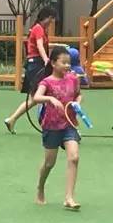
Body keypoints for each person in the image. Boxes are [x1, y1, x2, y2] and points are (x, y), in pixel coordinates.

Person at [33, 46, 82, 210]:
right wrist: (50, 99)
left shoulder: (73, 79)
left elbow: (78, 94)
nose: (68, 66)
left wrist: (77, 103)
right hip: (52, 126)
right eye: (64, 62)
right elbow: (37, 97)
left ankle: (69, 197)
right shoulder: (47, 82)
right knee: (49, 163)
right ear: (53, 63)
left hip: (69, 124)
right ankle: (40, 187)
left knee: (74, 157)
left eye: (69, 63)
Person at [4, 7, 57, 134]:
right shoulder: (38, 28)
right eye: (50, 19)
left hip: (36, 64)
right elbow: (39, 45)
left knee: (36, 98)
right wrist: (46, 59)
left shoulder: (40, 29)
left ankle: (12, 119)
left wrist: (57, 47)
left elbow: (41, 45)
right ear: (45, 17)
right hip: (36, 65)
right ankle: (48, 125)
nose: (51, 22)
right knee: (42, 96)